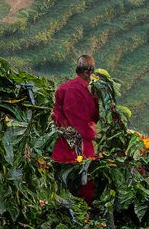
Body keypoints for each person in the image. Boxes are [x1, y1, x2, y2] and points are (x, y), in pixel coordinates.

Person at [52, 54, 99, 204]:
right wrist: (90, 131)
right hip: (82, 144)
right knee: (84, 176)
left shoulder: (63, 88)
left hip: (62, 141)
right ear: (88, 72)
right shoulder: (91, 92)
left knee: (61, 178)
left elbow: (56, 113)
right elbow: (90, 118)